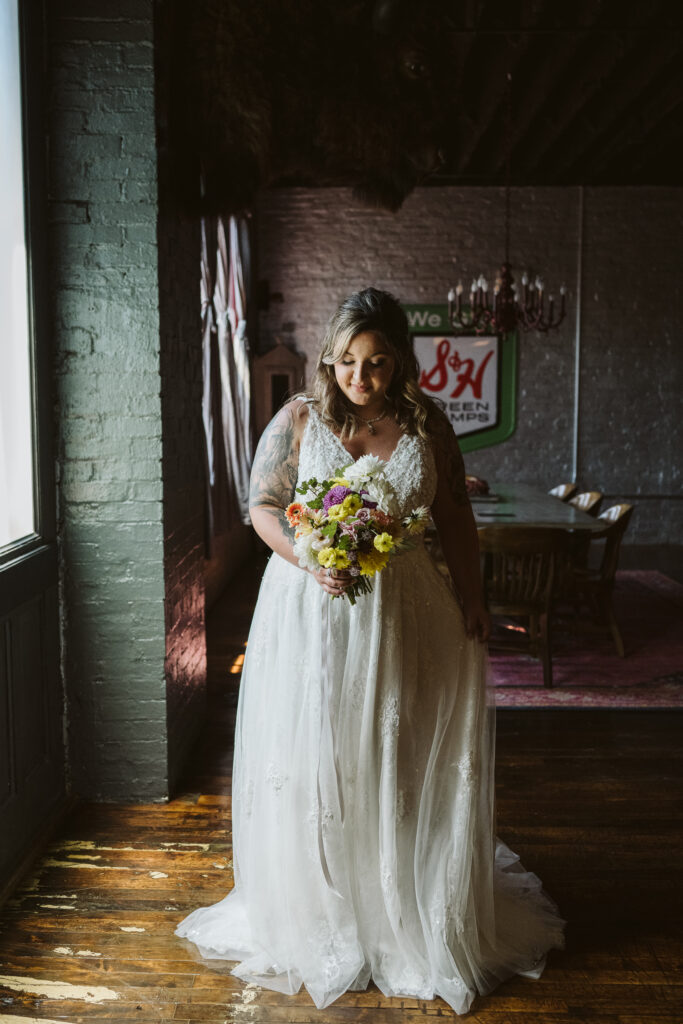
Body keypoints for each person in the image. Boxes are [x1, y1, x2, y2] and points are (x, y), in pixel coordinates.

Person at [175, 287, 565, 1014]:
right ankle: (321, 908)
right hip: (309, 605)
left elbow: (453, 518)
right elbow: (262, 506)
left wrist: (474, 599)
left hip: (405, 608)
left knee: (398, 743)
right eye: (350, 360)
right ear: (329, 357)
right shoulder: (297, 420)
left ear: (399, 364)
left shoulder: (428, 424)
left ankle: (398, 905)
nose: (362, 375)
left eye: (378, 362)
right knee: (316, 747)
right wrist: (304, 555)